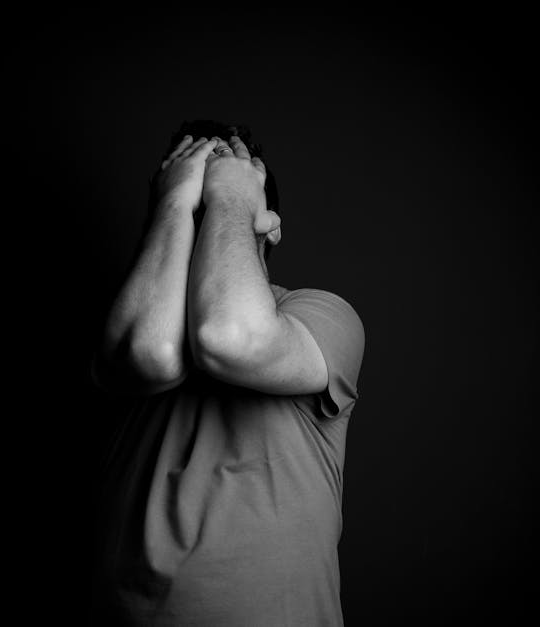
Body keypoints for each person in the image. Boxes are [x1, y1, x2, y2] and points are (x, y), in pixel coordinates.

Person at [88, 120, 365, 626]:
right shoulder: (123, 326)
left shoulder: (319, 315)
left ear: (271, 224)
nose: (204, 209)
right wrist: (175, 204)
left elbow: (230, 337)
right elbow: (152, 353)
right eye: (193, 198)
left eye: (219, 198)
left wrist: (230, 198)